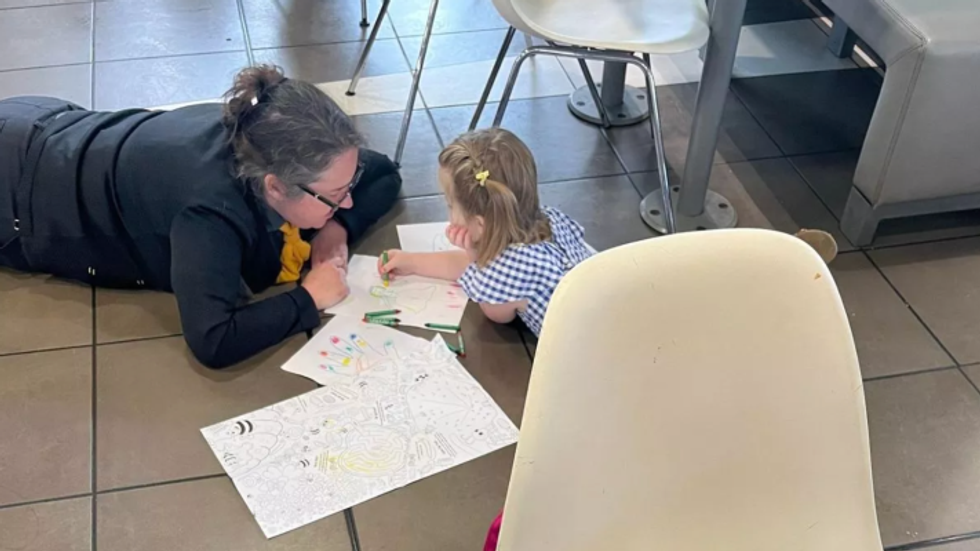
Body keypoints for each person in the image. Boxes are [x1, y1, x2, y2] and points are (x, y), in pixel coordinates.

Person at [0, 65, 401, 368]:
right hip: (17, 195)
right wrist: (310, 297)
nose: (348, 201)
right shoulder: (209, 213)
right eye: (335, 196)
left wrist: (335, 226)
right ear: (276, 187)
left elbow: (383, 172)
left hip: (47, 123)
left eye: (350, 185)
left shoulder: (263, 136)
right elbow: (214, 338)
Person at [378, 128, 593, 336]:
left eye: (450, 205)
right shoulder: (551, 219)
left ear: (480, 224)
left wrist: (474, 256)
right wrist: (414, 262)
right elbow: (482, 265)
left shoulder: (503, 273)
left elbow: (498, 314)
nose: (448, 212)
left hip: (585, 354)